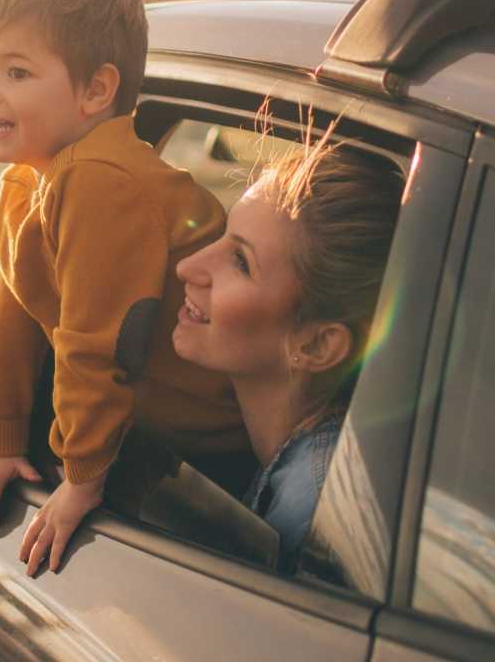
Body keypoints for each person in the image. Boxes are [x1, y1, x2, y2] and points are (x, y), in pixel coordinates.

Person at [0, 0, 248, 576]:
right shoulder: (33, 180)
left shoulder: (99, 181)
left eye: (16, 72)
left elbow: (96, 342)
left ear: (95, 90)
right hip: (159, 440)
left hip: (216, 449)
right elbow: (14, 318)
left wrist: (81, 478)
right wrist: (0, 441)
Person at [171, 134, 403, 574]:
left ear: (315, 345)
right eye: (222, 235)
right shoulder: (321, 467)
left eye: (240, 261)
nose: (189, 267)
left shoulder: (311, 515)